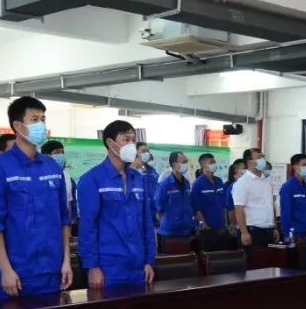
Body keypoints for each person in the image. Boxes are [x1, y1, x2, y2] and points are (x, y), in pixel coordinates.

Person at [0, 96, 72, 302]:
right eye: (35, 119)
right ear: (18, 126)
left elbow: (64, 218)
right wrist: (5, 269)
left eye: (43, 119)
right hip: (16, 274)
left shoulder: (52, 167)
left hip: (52, 271)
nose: (41, 125)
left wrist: (66, 261)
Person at [77, 120, 155, 288]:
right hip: (108, 268)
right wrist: (92, 266)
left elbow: (147, 223)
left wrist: (149, 261)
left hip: (138, 267)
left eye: (133, 140)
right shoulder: (92, 179)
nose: (131, 145)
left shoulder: (138, 179)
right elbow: (88, 227)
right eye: (126, 140)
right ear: (110, 143)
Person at [233, 148, 277, 247]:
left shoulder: (267, 181)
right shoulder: (242, 182)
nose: (263, 160)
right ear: (249, 162)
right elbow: (239, 209)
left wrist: (275, 228)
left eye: (263, 157)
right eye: (259, 157)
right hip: (252, 231)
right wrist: (244, 232)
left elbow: (271, 205)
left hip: (268, 230)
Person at [155, 151, 194, 246]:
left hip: (186, 231)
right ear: (174, 164)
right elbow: (158, 208)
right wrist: (166, 223)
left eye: (186, 161)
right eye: (183, 162)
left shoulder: (186, 183)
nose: (186, 164)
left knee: (187, 255)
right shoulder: (165, 184)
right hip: (169, 233)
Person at [280, 153, 306, 238]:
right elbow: (285, 213)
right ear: (295, 166)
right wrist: (287, 235)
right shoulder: (288, 187)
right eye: (304, 165)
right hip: (296, 233)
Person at [42, 140, 77, 224]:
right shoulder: (39, 176)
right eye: (57, 152)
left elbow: (70, 203)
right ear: (46, 156)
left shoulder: (67, 178)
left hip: (63, 223)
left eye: (62, 152)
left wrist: (70, 222)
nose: (61, 155)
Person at [191, 153, 226, 231]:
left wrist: (226, 224)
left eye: (214, 162)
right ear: (203, 165)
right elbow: (196, 209)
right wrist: (203, 224)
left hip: (221, 227)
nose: (214, 164)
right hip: (207, 229)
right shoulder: (198, 184)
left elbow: (223, 206)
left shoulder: (219, 181)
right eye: (211, 163)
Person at [225, 158, 245, 227]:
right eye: (244, 168)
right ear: (236, 170)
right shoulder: (233, 187)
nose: (246, 171)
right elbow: (231, 210)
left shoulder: (248, 185)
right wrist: (234, 227)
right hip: (239, 226)